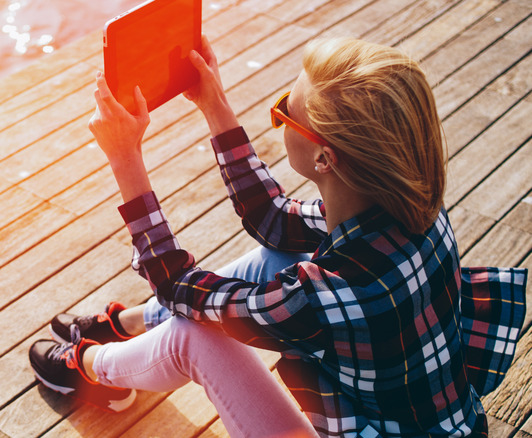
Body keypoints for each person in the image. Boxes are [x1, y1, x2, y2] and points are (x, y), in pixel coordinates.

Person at [29, 35, 527, 437]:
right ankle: (129, 325)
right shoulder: (409, 205)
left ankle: (89, 369)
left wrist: (125, 159)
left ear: (324, 158)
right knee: (274, 256)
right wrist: (213, 102)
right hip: (441, 426)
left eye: (286, 110)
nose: (280, 115)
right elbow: (275, 220)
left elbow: (181, 289)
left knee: (194, 335)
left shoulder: (327, 294)